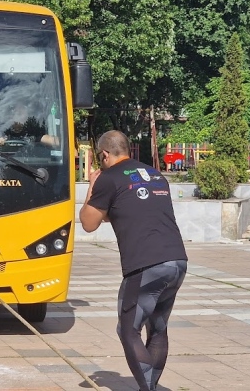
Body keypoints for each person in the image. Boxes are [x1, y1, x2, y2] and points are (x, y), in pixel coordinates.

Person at [79, 130, 188, 391]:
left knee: (128, 330)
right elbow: (119, 210)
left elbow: (89, 222)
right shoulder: (155, 175)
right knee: (158, 328)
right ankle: (148, 386)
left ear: (104, 154)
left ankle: (147, 388)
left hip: (145, 264)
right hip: (176, 260)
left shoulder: (108, 178)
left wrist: (92, 187)